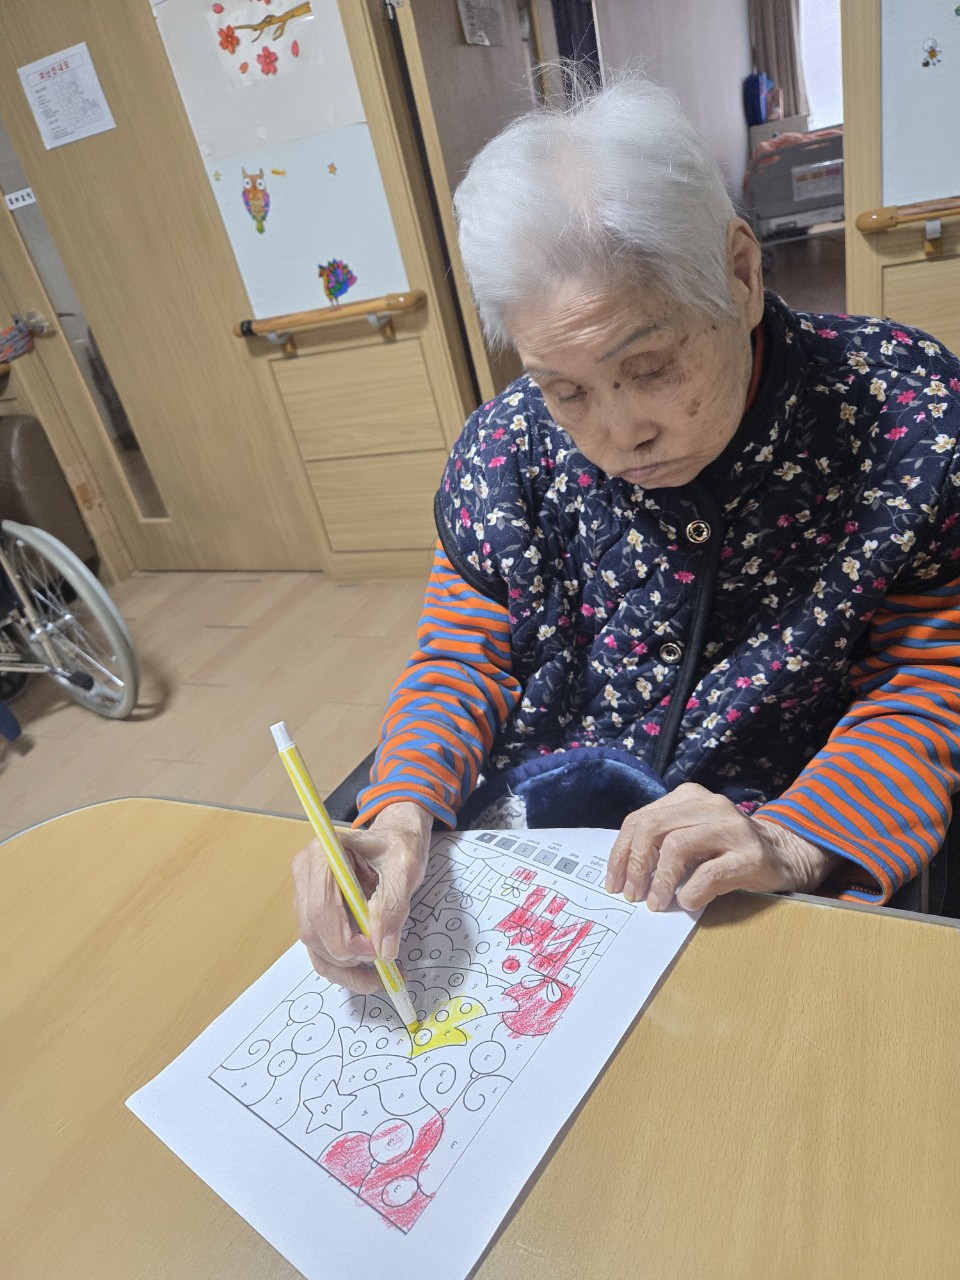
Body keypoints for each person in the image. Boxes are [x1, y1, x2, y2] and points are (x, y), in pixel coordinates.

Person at [293, 77, 960, 994]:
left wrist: (796, 839)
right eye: (564, 389)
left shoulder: (906, 414)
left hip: (766, 830)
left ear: (740, 272)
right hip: (551, 833)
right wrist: (401, 810)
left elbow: (929, 679)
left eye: (648, 367)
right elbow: (460, 657)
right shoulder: (506, 448)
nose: (617, 434)